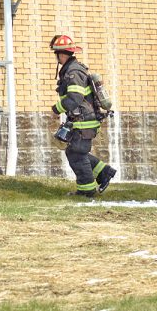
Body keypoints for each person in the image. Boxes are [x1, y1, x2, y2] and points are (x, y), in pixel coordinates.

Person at [50, 34, 116, 197]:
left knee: (77, 155)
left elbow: (75, 98)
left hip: (84, 121)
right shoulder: (72, 70)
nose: (56, 58)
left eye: (56, 54)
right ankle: (104, 172)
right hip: (80, 120)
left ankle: (86, 191)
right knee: (76, 152)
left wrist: (56, 109)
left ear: (61, 54)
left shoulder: (74, 72)